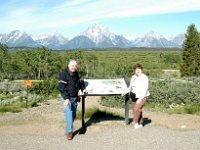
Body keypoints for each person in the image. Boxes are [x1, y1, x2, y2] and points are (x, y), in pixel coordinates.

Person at [58, 59, 87, 140]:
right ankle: (70, 132)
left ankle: (67, 130)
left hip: (74, 97)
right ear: (69, 65)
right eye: (72, 65)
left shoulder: (76, 73)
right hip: (66, 97)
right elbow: (61, 87)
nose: (74, 67)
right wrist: (66, 98)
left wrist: (83, 89)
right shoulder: (63, 74)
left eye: (75, 66)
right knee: (68, 112)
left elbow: (80, 82)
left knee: (73, 115)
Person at [124, 64, 150, 129]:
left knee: (136, 109)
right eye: (136, 69)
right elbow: (130, 87)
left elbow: (145, 89)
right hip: (134, 96)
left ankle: (136, 123)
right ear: (134, 70)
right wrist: (125, 91)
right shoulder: (133, 77)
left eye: (139, 69)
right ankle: (140, 123)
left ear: (141, 70)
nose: (137, 70)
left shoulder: (144, 77)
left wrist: (140, 98)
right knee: (137, 110)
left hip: (143, 96)